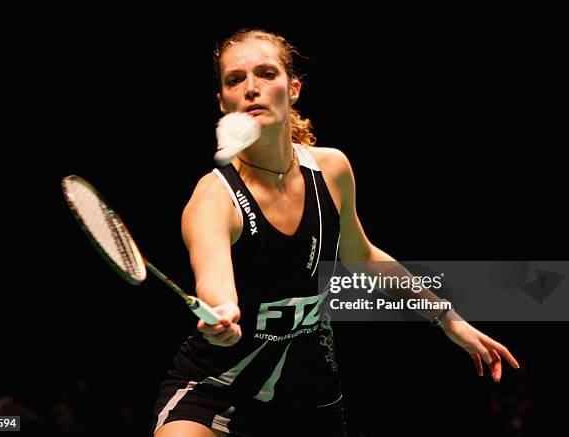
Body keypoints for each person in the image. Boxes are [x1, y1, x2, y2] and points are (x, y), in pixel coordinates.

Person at [152, 28, 520, 437]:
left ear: (293, 89)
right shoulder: (213, 199)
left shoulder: (331, 170)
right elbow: (216, 287)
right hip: (216, 390)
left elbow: (363, 256)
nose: (252, 88)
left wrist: (449, 320)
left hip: (310, 403)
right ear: (223, 102)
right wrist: (222, 314)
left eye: (266, 74)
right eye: (235, 80)